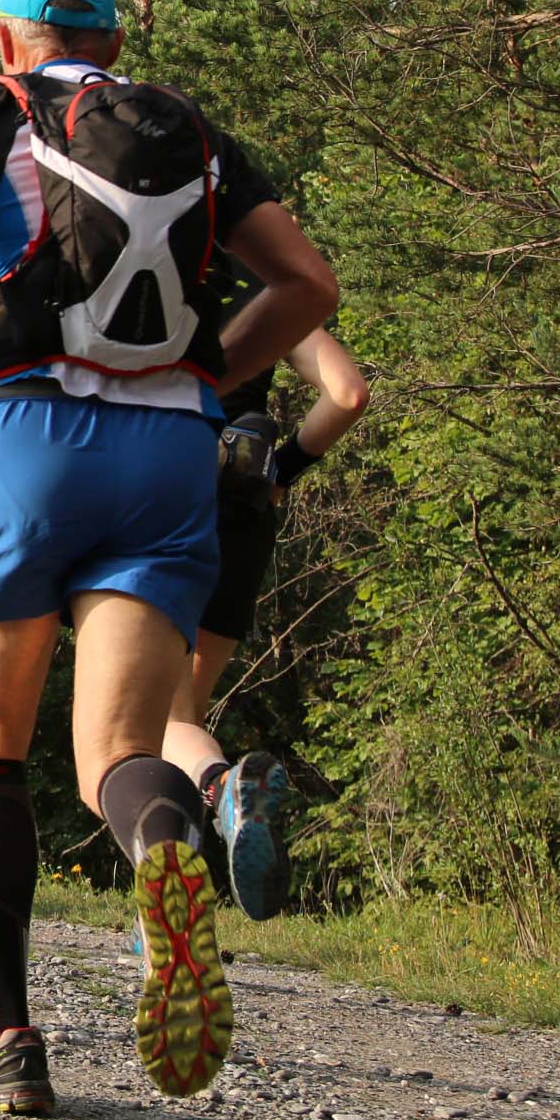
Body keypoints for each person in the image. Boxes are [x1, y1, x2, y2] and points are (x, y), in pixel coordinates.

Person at [0, 0, 339, 1113]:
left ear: (5, 35)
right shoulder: (194, 130)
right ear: (114, 45)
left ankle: (6, 1035)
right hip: (170, 453)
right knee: (122, 750)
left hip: (28, 434)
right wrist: (207, 374)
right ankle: (165, 844)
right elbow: (308, 286)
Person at [166, 293, 367, 916]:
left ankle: (218, 793)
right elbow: (348, 394)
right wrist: (284, 469)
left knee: (151, 725)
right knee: (182, 719)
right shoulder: (269, 298)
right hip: (243, 512)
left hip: (162, 495)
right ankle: (181, 889)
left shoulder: (147, 268)